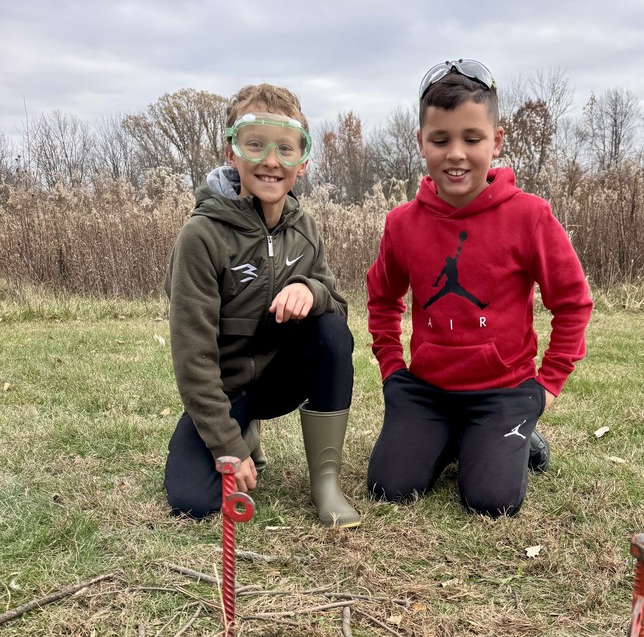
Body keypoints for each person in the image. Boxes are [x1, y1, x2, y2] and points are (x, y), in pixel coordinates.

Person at [366, 59, 593, 518]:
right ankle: (448, 437)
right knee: (388, 488)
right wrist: (393, 370)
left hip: (503, 391)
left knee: (491, 502)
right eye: (440, 139)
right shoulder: (401, 224)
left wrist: (547, 385)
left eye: (472, 139)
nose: (456, 154)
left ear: (496, 141)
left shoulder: (529, 217)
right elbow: (382, 298)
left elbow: (572, 303)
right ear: (421, 143)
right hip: (427, 390)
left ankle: (517, 437)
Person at [163, 82, 360, 528]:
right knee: (192, 502)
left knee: (330, 329)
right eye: (255, 144)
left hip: (279, 378)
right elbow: (192, 357)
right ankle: (244, 434)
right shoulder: (201, 236)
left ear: (302, 162)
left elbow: (340, 307)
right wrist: (226, 443)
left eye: (286, 149)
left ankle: (325, 483)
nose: (271, 161)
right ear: (231, 153)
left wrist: (312, 290)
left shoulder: (305, 226)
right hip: (226, 388)